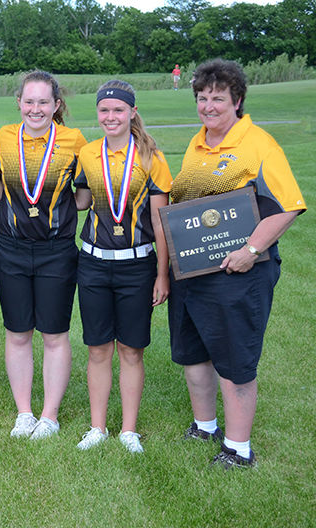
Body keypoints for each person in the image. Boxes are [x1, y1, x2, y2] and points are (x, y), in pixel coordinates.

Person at [169, 58, 305, 468]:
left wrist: (249, 252)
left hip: (238, 272)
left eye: (218, 99)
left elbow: (288, 206)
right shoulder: (197, 144)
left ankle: (238, 449)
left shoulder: (259, 144)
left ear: (237, 100)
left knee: (234, 360)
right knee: (195, 354)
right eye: (202, 98)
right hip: (195, 272)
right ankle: (204, 426)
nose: (209, 106)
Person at [0, 70, 86, 439]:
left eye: (44, 101)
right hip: (10, 249)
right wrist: (19, 206)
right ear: (19, 104)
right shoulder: (4, 138)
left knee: (55, 334)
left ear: (56, 105)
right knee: (17, 332)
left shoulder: (74, 140)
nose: (36, 108)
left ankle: (49, 416)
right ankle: (24, 413)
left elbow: (85, 195)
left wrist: (54, 214)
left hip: (56, 250)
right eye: (29, 101)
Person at [72, 80, 172, 453]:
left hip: (138, 265)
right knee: (98, 348)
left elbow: (160, 222)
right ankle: (97, 428)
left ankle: (128, 430)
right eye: (104, 110)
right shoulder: (87, 154)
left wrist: (162, 274)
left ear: (132, 112)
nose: (110, 117)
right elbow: (82, 203)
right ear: (97, 114)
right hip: (94, 263)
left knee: (131, 350)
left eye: (118, 110)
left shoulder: (152, 158)